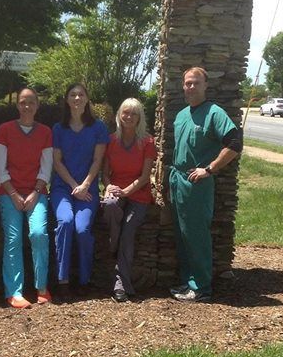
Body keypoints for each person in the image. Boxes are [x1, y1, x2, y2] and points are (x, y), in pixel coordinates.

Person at [169, 66, 242, 302]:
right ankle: (188, 282)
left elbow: (234, 142)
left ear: (205, 86)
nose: (191, 87)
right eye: (187, 83)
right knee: (182, 235)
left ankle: (201, 287)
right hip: (177, 181)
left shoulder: (213, 113)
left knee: (196, 236)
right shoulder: (181, 115)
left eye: (196, 83)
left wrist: (209, 169)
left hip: (196, 185)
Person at [0, 87, 53, 309]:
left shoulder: (45, 132)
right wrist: (14, 194)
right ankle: (14, 292)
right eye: (22, 102)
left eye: (31, 102)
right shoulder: (5, 130)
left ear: (37, 105)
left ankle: (42, 287)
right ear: (18, 105)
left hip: (36, 193)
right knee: (13, 238)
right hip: (10, 193)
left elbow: (46, 167)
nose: (27, 106)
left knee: (38, 233)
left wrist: (36, 192)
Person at [50, 82, 108, 296]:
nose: (77, 98)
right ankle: (62, 280)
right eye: (73, 95)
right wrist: (75, 186)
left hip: (88, 190)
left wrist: (84, 185)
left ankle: (85, 280)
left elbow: (97, 160)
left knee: (82, 229)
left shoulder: (98, 128)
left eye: (81, 95)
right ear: (67, 100)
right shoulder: (58, 129)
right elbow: (57, 162)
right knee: (65, 221)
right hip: (62, 189)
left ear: (87, 99)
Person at [102, 98, 157, 302]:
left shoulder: (147, 142)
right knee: (109, 206)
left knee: (128, 229)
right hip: (116, 190)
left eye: (134, 113)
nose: (129, 117)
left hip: (138, 194)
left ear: (139, 117)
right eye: (125, 112)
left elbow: (144, 177)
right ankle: (113, 244)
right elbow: (105, 173)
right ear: (119, 115)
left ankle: (120, 284)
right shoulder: (111, 140)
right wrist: (108, 186)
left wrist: (127, 191)